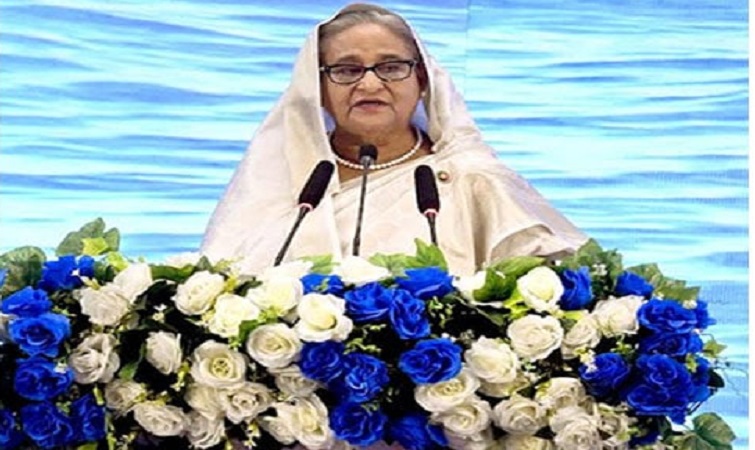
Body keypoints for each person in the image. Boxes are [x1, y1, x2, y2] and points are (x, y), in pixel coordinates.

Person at [201, 3, 587, 278]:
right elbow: (218, 289)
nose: (370, 84)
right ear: (316, 87)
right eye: (346, 70)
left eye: (391, 67)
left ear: (422, 80)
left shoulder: (473, 181)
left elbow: (551, 283)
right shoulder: (276, 184)